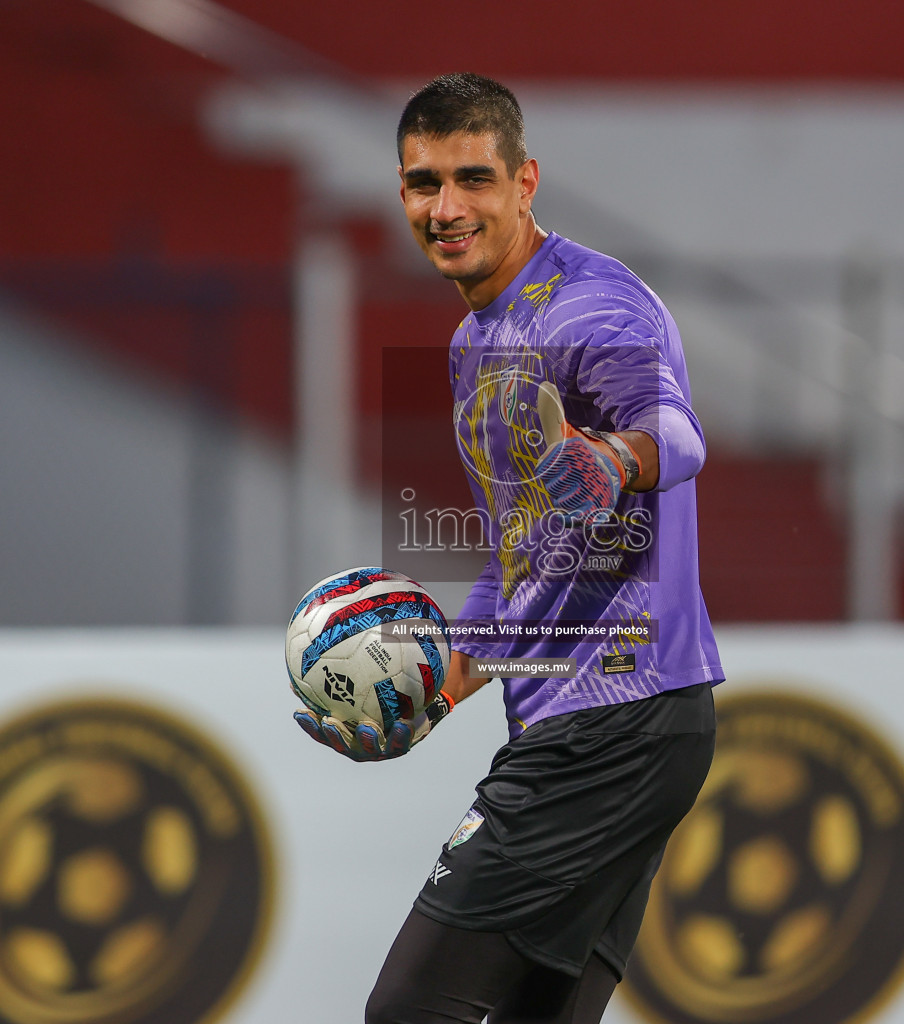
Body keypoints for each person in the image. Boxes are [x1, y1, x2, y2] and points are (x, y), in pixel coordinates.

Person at [295, 72, 723, 1024]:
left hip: (613, 723)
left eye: (473, 179)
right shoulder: (474, 338)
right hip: (627, 722)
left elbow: (681, 436)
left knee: (409, 1010)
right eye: (422, 183)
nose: (445, 209)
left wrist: (617, 457)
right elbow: (523, 560)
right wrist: (444, 681)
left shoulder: (591, 311)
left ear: (526, 182)